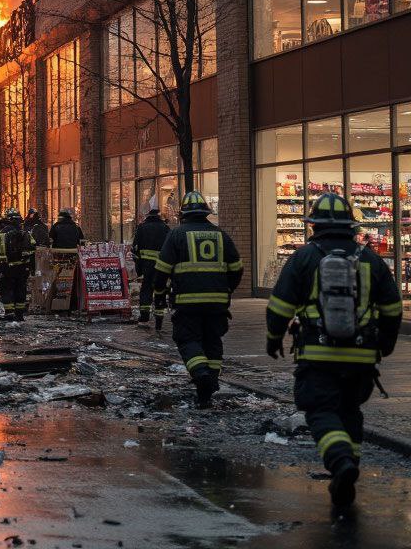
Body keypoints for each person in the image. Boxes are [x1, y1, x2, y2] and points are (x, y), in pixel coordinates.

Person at [266, 192, 402, 510]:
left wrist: (273, 339)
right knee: (350, 411)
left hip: (317, 353)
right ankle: (349, 462)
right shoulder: (370, 259)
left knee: (320, 411)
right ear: (350, 226)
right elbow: (393, 308)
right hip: (362, 356)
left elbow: (280, 306)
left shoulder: (304, 258)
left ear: (313, 226)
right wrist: (385, 345)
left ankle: (341, 462)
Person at [153, 191, 243, 407]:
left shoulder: (176, 235)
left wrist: (159, 294)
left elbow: (162, 270)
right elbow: (237, 269)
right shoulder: (221, 235)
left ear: (183, 214)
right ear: (206, 213)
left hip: (187, 302)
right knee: (213, 341)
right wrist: (226, 289)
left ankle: (201, 374)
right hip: (217, 304)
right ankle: (210, 383)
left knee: (188, 339)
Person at [0, 209, 36, 321]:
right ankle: (19, 315)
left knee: (6, 289)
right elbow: (33, 248)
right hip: (22, 268)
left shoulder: (0, 234)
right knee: (21, 289)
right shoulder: (25, 233)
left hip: (6, 267)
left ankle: (9, 313)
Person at [131, 203, 171, 330]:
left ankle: (144, 316)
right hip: (161, 265)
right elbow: (170, 248)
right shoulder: (165, 228)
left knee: (146, 289)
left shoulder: (142, 228)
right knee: (160, 290)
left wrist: (139, 267)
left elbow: (135, 248)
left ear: (148, 215)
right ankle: (159, 319)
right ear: (158, 215)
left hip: (147, 265)